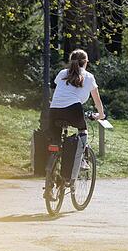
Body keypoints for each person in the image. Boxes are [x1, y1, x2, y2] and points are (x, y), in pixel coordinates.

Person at [44, 49, 105, 199]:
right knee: (82, 133)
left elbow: (60, 89)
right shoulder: (89, 77)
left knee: (55, 145)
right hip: (73, 109)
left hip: (54, 111)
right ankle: (82, 161)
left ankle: (49, 187)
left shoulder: (62, 73)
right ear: (86, 62)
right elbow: (97, 100)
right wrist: (101, 115)